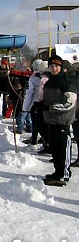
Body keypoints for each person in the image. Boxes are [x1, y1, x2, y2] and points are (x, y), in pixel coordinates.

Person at [42, 55, 77, 186]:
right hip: (51, 121)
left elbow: (69, 103)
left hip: (62, 120)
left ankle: (63, 175)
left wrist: (49, 107)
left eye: (57, 66)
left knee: (63, 149)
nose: (54, 68)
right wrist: (40, 105)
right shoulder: (50, 81)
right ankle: (57, 172)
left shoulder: (66, 81)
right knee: (55, 149)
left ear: (61, 67)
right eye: (52, 66)